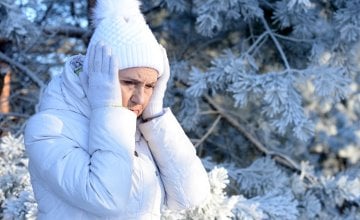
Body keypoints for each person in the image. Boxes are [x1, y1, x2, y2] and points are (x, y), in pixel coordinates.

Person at [23, 0, 210, 219]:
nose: (140, 98)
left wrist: (155, 117)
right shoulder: (48, 129)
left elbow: (190, 198)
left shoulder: (138, 129)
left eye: (150, 86)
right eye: (130, 82)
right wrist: (108, 108)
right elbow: (105, 199)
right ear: (97, 76)